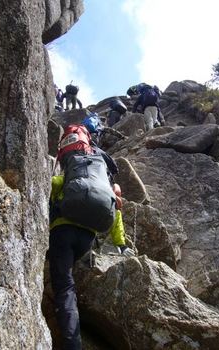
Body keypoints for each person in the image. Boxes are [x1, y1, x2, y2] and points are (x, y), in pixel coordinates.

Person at [49, 130, 134, 350]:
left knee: (64, 288)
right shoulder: (105, 182)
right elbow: (115, 213)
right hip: (87, 236)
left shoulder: (72, 170)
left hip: (63, 230)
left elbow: (55, 185)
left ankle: (72, 344)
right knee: (70, 281)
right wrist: (121, 244)